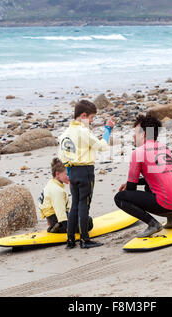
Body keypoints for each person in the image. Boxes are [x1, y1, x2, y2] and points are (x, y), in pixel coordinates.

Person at [114, 114, 172, 238]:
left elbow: (131, 190)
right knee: (154, 184)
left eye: (136, 133)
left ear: (143, 134)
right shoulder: (165, 148)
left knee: (120, 197)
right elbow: (158, 176)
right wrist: (134, 183)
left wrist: (129, 185)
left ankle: (153, 224)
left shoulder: (138, 153)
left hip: (166, 205)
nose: (133, 136)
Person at [59, 100, 115, 249]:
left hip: (72, 171)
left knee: (75, 205)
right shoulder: (84, 132)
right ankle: (84, 239)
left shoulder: (64, 134)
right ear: (83, 115)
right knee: (84, 204)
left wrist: (69, 174)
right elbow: (102, 147)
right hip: (85, 171)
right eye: (91, 118)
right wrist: (108, 130)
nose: (91, 121)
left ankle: (70, 240)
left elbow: (63, 157)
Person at [38, 158, 93, 234]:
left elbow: (43, 203)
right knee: (88, 222)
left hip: (51, 218)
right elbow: (61, 213)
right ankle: (58, 227)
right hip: (58, 220)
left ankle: (54, 225)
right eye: (67, 174)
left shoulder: (50, 184)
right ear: (57, 174)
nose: (70, 177)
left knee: (79, 216)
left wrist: (48, 219)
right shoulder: (57, 190)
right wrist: (68, 229)